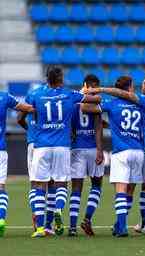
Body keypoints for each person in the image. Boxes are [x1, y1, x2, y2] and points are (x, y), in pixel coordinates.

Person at [85, 75, 145, 234]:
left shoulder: (121, 103)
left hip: (126, 151)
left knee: (124, 189)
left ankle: (123, 225)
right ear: (130, 88)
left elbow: (86, 108)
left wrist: (87, 96)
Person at [28, 66, 100, 238]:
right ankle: (59, 209)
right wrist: (88, 91)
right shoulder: (70, 94)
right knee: (61, 184)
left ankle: (39, 228)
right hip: (62, 146)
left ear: (47, 79)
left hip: (42, 145)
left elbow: (26, 110)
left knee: (39, 185)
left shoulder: (35, 94)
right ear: (60, 79)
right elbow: (95, 99)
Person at [17, 84, 56, 236]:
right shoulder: (52, 97)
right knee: (51, 181)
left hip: (34, 143)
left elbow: (20, 119)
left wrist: (30, 131)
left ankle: (36, 215)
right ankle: (48, 224)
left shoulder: (32, 95)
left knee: (35, 182)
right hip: (51, 142)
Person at [68, 74, 104, 237]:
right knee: (96, 185)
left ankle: (73, 227)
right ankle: (87, 219)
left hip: (76, 148)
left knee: (76, 188)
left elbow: (68, 123)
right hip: (91, 147)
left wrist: (73, 135)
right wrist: (99, 149)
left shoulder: (74, 99)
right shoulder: (96, 101)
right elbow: (98, 126)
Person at [0, 90, 34, 236]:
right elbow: (27, 108)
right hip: (0, 150)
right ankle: (0, 218)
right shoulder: (4, 97)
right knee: (1, 188)